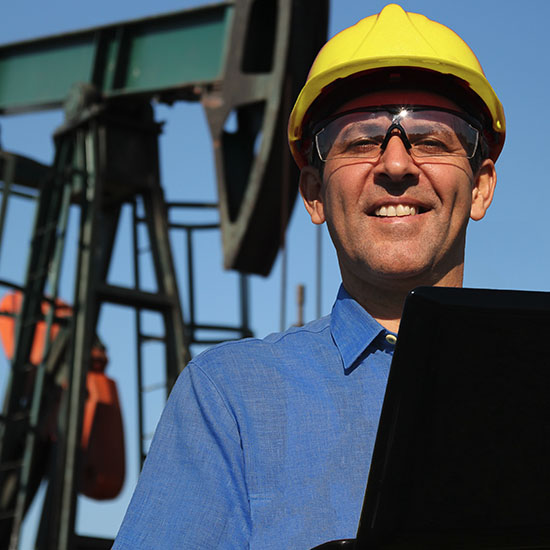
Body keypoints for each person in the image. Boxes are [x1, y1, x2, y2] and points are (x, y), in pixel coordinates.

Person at [113, 4, 504, 549]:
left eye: (433, 139)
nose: (396, 165)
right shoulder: (231, 398)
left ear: (482, 185)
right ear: (315, 194)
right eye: (362, 140)